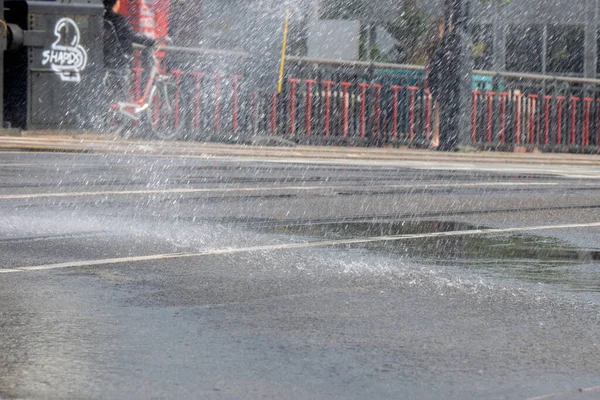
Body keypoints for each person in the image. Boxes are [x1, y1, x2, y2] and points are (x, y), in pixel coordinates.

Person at [427, 23, 461, 151]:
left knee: (440, 112)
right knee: (441, 112)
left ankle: (439, 138)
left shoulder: (442, 46)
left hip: (443, 85)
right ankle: (440, 138)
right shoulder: (446, 45)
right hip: (444, 85)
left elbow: (434, 65)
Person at [103, 0, 156, 70]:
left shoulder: (100, 18)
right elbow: (131, 36)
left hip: (104, 56)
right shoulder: (118, 19)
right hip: (119, 58)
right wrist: (150, 41)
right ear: (116, 4)